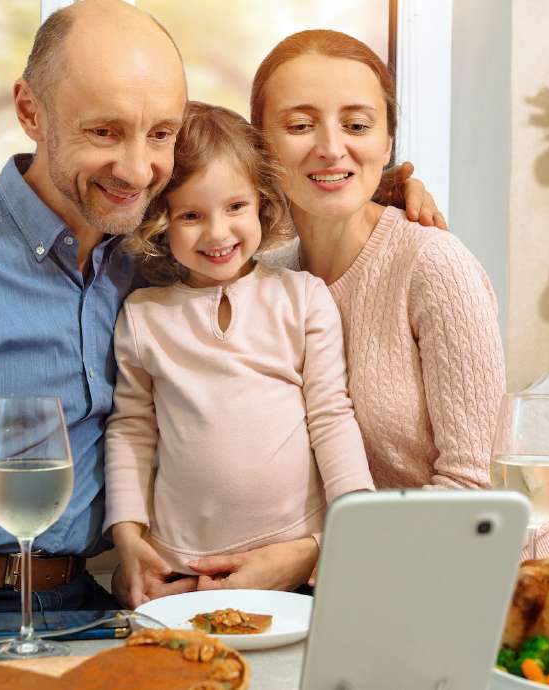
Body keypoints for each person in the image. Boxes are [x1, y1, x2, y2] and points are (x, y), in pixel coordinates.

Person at [0, 1, 435, 653]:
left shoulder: (153, 263)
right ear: (31, 111)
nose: (137, 169)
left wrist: (382, 194)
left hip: (90, 605)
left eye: (160, 134)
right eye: (104, 131)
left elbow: (244, 233)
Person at [248, 30, 549, 563]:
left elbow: (475, 490)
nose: (331, 147)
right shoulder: (269, 280)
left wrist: (310, 556)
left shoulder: (432, 264)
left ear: (387, 143)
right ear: (260, 146)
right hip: (368, 578)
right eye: (300, 125)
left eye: (357, 125)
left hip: (502, 578)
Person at [104, 102, 374, 607]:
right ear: (161, 221)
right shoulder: (143, 315)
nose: (217, 233)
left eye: (235, 207)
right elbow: (132, 430)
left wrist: (352, 523)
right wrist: (127, 533)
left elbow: (331, 415)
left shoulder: (302, 297)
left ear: (261, 204)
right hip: (180, 567)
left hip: (293, 561)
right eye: (191, 215)